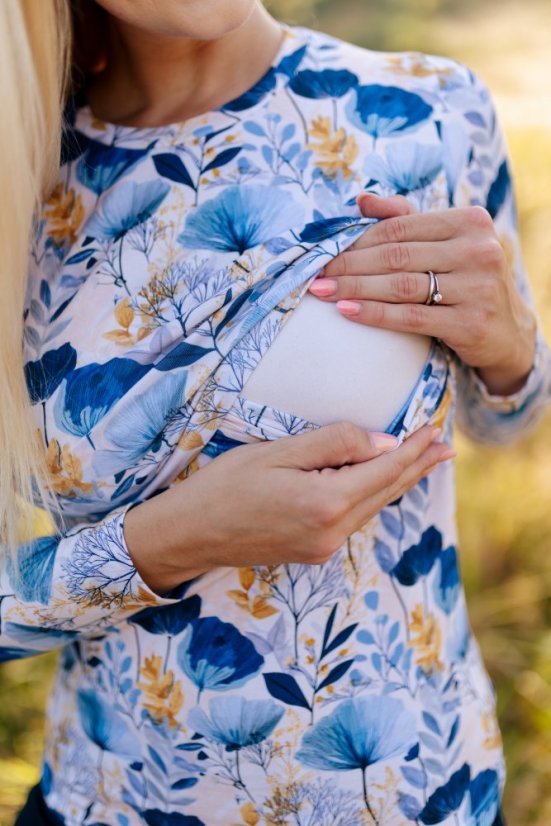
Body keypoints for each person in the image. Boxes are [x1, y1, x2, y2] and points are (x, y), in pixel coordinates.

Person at [3, 1, 550, 824]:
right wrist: (163, 542)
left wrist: (508, 346)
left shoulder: (430, 106)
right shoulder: (24, 185)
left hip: (418, 796)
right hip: (114, 802)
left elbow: (507, 423)